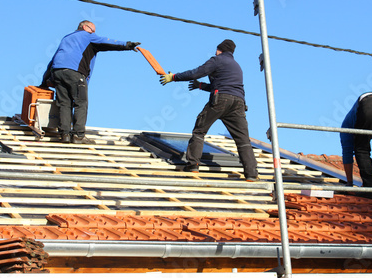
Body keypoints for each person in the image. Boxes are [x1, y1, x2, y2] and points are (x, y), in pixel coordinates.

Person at [159, 39, 258, 181]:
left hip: (221, 100)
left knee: (200, 130)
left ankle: (193, 165)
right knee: (243, 140)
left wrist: (174, 77)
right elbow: (226, 85)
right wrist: (201, 86)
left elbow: (196, 72)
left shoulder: (217, 60)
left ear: (219, 50)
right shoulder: (236, 66)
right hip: (239, 103)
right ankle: (252, 174)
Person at [42, 20, 140, 144]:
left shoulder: (66, 38)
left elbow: (53, 59)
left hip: (57, 72)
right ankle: (78, 136)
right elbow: (106, 42)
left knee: (64, 104)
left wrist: (45, 80)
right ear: (84, 27)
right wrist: (127, 45)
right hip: (74, 73)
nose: (94, 32)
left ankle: (65, 135)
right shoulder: (86, 36)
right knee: (81, 103)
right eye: (92, 29)